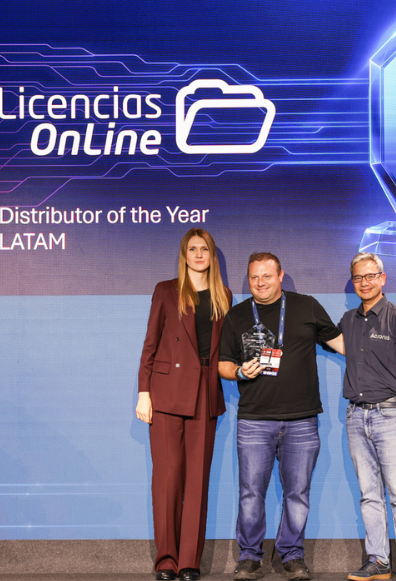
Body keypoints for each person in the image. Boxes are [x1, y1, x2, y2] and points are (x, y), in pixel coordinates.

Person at [218, 252, 345, 581]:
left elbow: (342, 343)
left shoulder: (307, 306)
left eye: (267, 276)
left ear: (280, 276)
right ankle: (249, 556)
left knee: (297, 494)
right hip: (254, 420)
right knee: (250, 493)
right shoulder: (237, 316)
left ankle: (291, 555)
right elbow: (223, 364)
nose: (260, 282)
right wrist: (238, 372)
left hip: (302, 420)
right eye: (254, 277)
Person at [137, 228, 232, 581]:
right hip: (166, 393)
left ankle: (189, 561)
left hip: (205, 393)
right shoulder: (166, 290)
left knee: (197, 481)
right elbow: (150, 344)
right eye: (192, 249)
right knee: (168, 479)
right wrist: (143, 392)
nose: (198, 254)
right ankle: (166, 560)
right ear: (184, 254)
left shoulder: (223, 295)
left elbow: (224, 348)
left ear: (211, 254)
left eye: (204, 248)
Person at [338, 253, 396, 581]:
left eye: (370, 276)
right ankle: (378, 560)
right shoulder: (348, 321)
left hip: (392, 417)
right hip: (356, 417)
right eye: (358, 277)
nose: (364, 283)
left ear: (382, 278)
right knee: (369, 494)